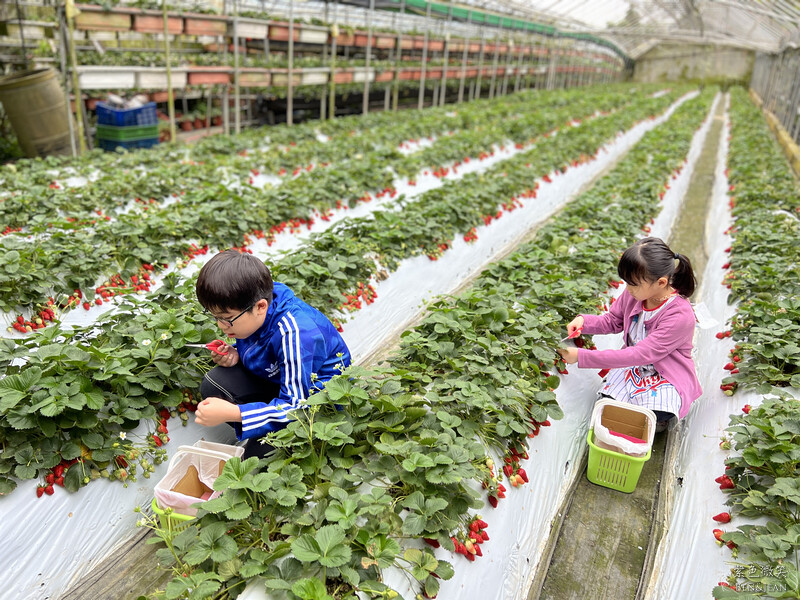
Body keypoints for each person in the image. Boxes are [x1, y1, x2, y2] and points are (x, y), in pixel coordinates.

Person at [193, 250, 352, 458]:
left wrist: (236, 414)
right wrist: (237, 355)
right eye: (216, 317)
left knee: (256, 462)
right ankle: (263, 430)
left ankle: (290, 444)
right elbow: (265, 348)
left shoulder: (295, 333)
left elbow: (297, 407)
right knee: (214, 386)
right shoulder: (252, 304)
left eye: (227, 319)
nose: (222, 326)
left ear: (260, 306)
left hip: (317, 407)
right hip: (285, 385)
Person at [557, 237, 702, 431]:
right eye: (627, 283)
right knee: (606, 404)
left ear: (661, 282)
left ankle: (656, 422)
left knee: (652, 414)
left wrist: (581, 357)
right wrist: (584, 321)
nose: (627, 289)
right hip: (632, 368)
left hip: (664, 375)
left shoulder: (679, 315)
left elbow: (640, 354)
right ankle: (641, 420)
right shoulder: (635, 294)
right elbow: (613, 321)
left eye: (633, 284)